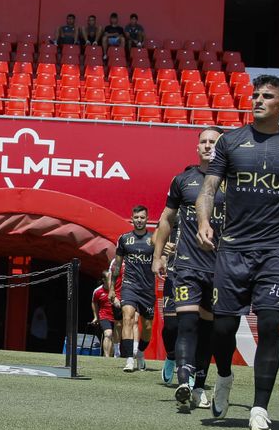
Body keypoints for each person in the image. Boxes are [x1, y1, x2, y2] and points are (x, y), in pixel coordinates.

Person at [195, 76, 279, 430]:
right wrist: (203, 221)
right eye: (255, 94)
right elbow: (208, 188)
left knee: (271, 324)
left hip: (274, 250)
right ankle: (224, 376)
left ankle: (260, 408)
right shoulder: (230, 141)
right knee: (223, 328)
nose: (258, 100)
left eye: (267, 96)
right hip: (233, 248)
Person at [151, 126, 226, 408]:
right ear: (197, 147)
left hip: (220, 268)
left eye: (213, 142)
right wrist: (158, 255)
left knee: (209, 330)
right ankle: (184, 380)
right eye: (203, 141)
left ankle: (199, 386)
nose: (207, 146)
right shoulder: (182, 180)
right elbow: (166, 219)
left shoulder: (233, 180)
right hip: (186, 266)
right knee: (185, 324)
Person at [113, 206, 156, 373]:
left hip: (147, 288)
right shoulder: (124, 239)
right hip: (129, 286)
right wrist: (112, 289)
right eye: (136, 217)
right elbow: (117, 266)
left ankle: (140, 353)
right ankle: (129, 359)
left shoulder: (154, 239)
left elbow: (161, 258)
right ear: (132, 218)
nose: (139, 220)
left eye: (142, 217)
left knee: (147, 327)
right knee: (128, 318)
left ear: (147, 219)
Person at [91, 270, 116, 358]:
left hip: (116, 317)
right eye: (109, 278)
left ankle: (110, 357)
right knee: (108, 333)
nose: (111, 280)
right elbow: (94, 302)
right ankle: (106, 357)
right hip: (104, 316)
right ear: (103, 280)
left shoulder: (117, 289)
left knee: (114, 338)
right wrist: (96, 316)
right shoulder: (98, 291)